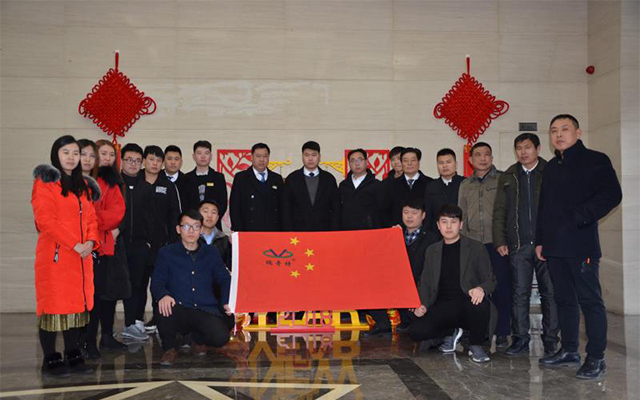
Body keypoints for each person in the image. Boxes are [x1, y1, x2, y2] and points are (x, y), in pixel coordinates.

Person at [536, 114, 622, 379]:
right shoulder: (551, 167)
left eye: (565, 129)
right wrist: (540, 240)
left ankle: (596, 357)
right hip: (554, 247)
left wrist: (580, 216)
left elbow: (612, 194)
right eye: (553, 130)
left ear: (578, 132)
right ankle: (569, 350)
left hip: (581, 244)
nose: (559, 134)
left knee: (590, 301)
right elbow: (544, 206)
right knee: (564, 300)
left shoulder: (595, 160)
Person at [32, 135, 101, 377]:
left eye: (75, 153)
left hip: (81, 259)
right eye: (66, 153)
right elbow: (45, 221)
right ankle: (50, 358)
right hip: (56, 257)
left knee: (76, 308)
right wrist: (74, 244)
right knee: (52, 309)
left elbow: (91, 219)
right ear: (56, 155)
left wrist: (91, 242)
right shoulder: (46, 183)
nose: (71, 158)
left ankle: (73, 354)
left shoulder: (84, 186)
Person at [492, 133, 559, 357]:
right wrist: (500, 240)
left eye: (528, 147)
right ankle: (520, 338)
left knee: (549, 293)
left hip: (546, 245)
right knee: (519, 293)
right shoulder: (509, 175)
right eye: (519, 148)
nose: (523, 152)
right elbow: (499, 211)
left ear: (538, 149)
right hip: (518, 245)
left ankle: (551, 339)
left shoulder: (551, 171)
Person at [409, 205, 496, 363]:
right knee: (416, 331)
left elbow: (490, 280)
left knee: (481, 305)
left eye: (453, 222)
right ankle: (451, 332)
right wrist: (422, 304)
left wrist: (480, 288)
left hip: (467, 304)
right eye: (444, 222)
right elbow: (425, 282)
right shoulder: (432, 250)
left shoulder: (476, 248)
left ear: (461, 225)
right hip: (442, 305)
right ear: (438, 225)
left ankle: (475, 344)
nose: (448, 227)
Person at [152, 210, 233, 366]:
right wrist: (163, 295)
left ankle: (197, 339)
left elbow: (224, 278)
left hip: (204, 308)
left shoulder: (211, 252)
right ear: (178, 229)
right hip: (178, 308)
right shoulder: (167, 253)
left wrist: (225, 301)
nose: (191, 231)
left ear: (201, 230)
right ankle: (170, 348)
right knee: (163, 307)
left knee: (221, 337)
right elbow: (157, 282)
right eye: (186, 226)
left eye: (196, 226)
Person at [78, 140, 129, 358]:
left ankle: (104, 336)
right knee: (88, 298)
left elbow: (117, 214)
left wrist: (93, 220)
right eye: (102, 154)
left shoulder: (113, 182)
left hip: (107, 246)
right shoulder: (79, 180)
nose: (107, 158)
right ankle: (84, 340)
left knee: (107, 295)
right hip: (83, 247)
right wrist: (94, 222)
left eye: (111, 155)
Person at [458, 142, 511, 348]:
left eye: (487, 154)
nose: (483, 158)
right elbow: (461, 215)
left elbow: (508, 211)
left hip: (497, 244)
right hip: (473, 245)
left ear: (492, 158)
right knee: (474, 289)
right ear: (471, 160)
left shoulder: (503, 179)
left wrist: (504, 239)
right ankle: (480, 331)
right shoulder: (465, 185)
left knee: (501, 288)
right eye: (478, 155)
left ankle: (503, 332)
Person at [364, 197, 438, 336]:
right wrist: (390, 237)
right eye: (406, 212)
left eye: (414, 213)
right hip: (396, 283)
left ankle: (407, 321)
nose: (409, 216)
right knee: (368, 285)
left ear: (423, 215)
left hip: (418, 286)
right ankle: (383, 323)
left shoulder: (431, 238)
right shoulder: (395, 234)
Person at [140, 145, 181, 334]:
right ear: (144, 161)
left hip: (161, 246)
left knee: (158, 284)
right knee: (137, 285)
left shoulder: (168, 186)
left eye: (158, 160)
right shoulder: (135, 182)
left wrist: (171, 243)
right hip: (137, 244)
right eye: (151, 159)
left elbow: (175, 216)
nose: (155, 163)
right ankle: (136, 320)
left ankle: (158, 318)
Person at [119, 143, 154, 341]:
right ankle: (127, 323)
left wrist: (148, 242)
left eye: (137, 161)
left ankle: (136, 321)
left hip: (140, 246)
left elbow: (151, 218)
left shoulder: (146, 188)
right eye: (129, 160)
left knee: (139, 285)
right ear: (122, 161)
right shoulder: (115, 185)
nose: (133, 164)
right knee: (121, 285)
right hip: (119, 245)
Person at [282, 141, 340, 231]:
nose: (310, 158)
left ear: (319, 157)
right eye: (307, 155)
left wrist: (334, 232)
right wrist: (289, 232)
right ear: (302, 157)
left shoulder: (329, 179)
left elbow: (335, 208)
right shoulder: (292, 179)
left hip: (324, 231)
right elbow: (286, 209)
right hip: (299, 232)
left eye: (314, 155)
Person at [229, 143, 284, 232]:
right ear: (251, 157)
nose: (261, 160)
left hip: (273, 230)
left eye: (265, 156)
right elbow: (235, 206)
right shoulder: (241, 178)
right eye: (258, 156)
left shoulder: (276, 178)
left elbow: (282, 206)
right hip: (248, 230)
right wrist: (237, 230)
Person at [384, 147, 433, 227]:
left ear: (418, 162)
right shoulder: (390, 185)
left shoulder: (430, 184)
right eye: (405, 161)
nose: (409, 164)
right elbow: (385, 211)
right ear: (402, 163)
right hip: (397, 231)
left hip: (425, 231)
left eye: (413, 160)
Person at [184, 141, 228, 229]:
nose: (203, 156)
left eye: (206, 153)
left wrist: (211, 218)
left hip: (213, 225)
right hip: (192, 226)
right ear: (193, 156)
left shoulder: (218, 177)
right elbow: (184, 203)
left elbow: (222, 203)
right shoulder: (186, 178)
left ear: (211, 156)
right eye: (199, 153)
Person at [424, 148, 464, 236]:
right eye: (441, 163)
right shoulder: (431, 186)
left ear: (456, 164)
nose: (445, 166)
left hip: (461, 234)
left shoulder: (465, 183)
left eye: (448, 162)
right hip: (437, 235)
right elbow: (428, 214)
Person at [339, 149, 382, 230]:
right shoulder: (343, 185)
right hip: (347, 230)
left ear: (366, 162)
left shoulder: (377, 185)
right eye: (353, 161)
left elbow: (381, 210)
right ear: (349, 164)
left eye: (360, 160)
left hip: (369, 230)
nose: (357, 163)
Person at [199, 200, 231, 269]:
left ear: (217, 218)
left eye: (213, 212)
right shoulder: (190, 238)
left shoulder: (225, 240)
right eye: (205, 211)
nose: (209, 215)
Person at [163, 144, 189, 211]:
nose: (173, 162)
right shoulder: (156, 178)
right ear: (163, 161)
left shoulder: (188, 181)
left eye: (176, 159)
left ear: (181, 162)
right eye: (169, 159)